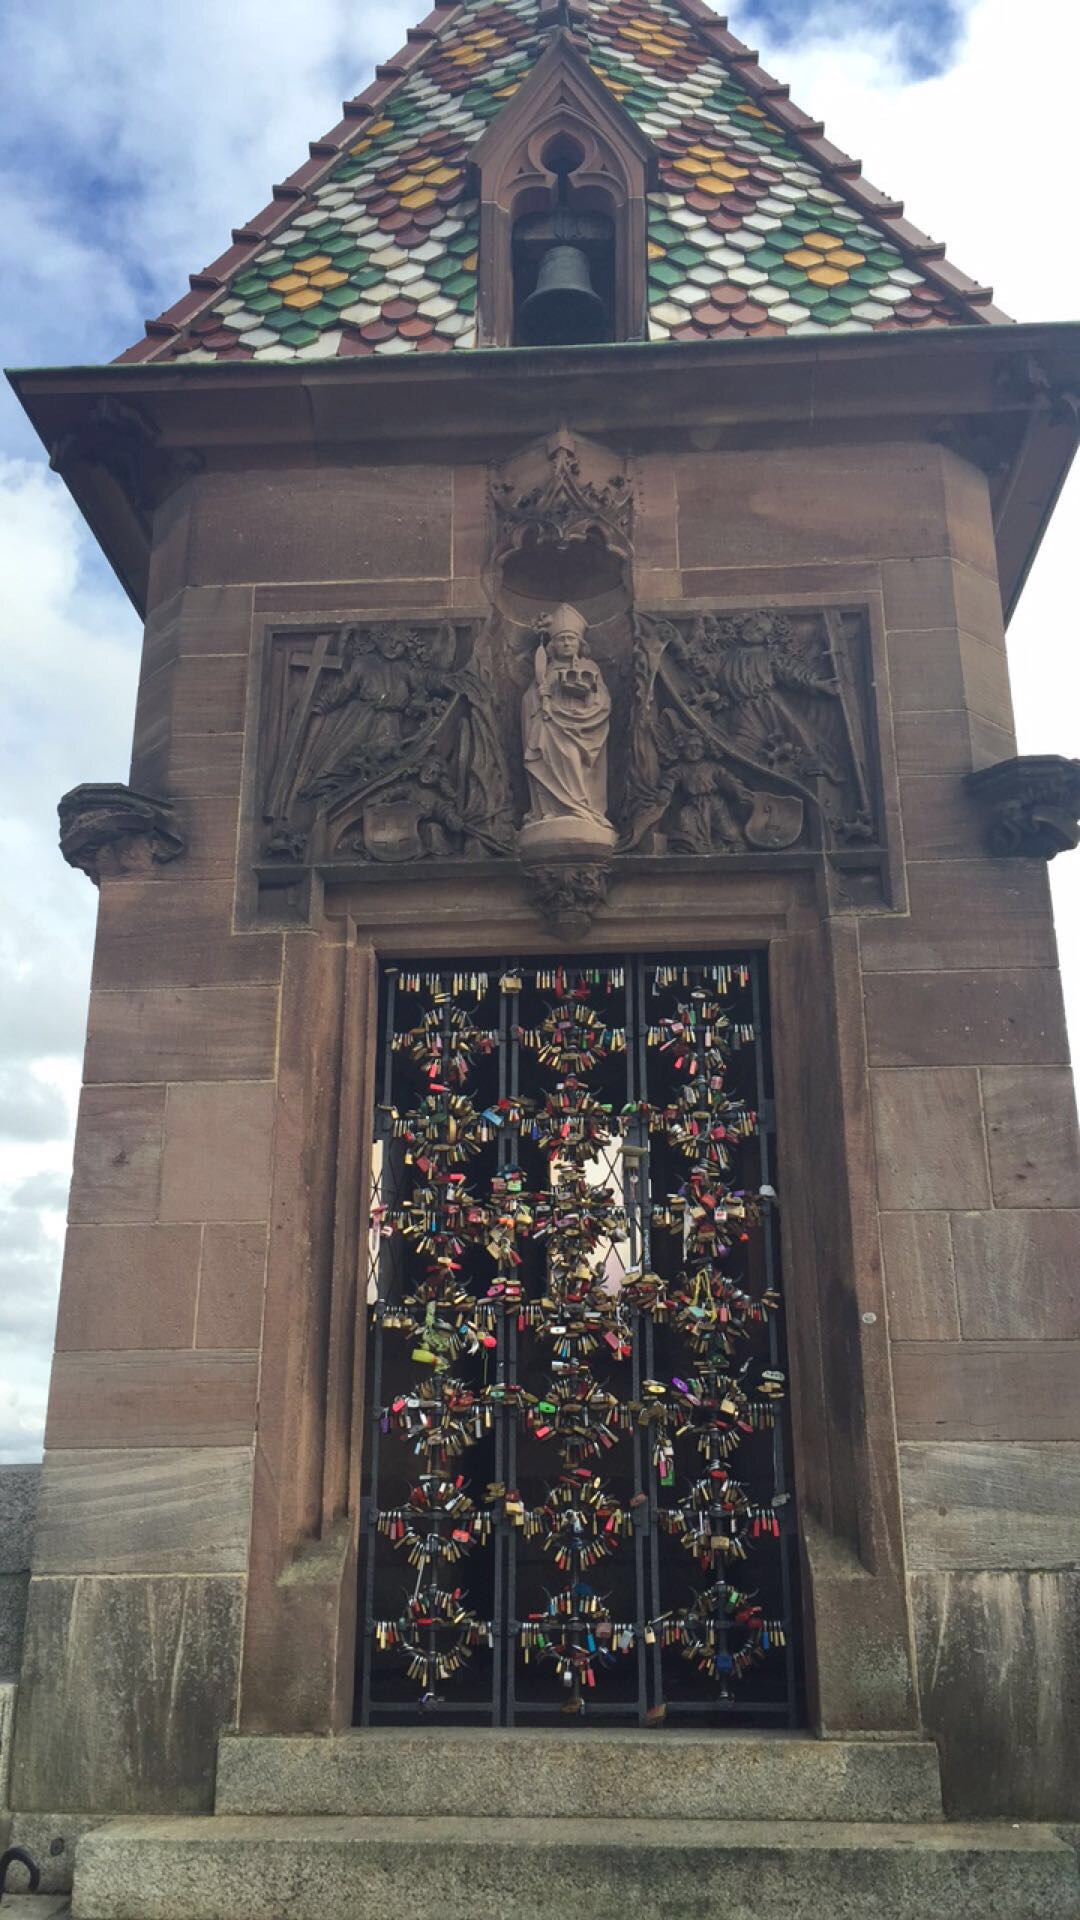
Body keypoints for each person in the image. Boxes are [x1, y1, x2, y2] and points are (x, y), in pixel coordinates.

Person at [521, 604, 613, 831]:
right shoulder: (547, 671)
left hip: (581, 728)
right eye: (561, 640)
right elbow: (528, 702)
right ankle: (549, 809)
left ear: (579, 644)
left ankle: (582, 809)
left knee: (572, 758)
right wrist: (538, 695)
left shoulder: (590, 667)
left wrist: (587, 694)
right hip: (551, 726)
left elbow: (603, 701)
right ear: (552, 645)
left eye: (571, 639)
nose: (566, 644)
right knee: (544, 752)